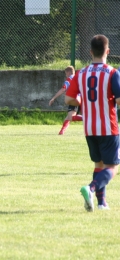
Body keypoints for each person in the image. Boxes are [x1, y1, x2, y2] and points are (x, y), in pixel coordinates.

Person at [65, 34, 120, 212]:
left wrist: (83, 101)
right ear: (108, 51)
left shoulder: (81, 73)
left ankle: (101, 203)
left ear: (90, 52)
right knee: (113, 167)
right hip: (108, 127)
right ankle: (91, 188)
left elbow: (69, 99)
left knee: (99, 165)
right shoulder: (112, 72)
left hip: (89, 128)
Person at [49, 66, 82, 135]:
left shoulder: (69, 80)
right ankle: (62, 131)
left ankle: (88, 118)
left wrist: (53, 98)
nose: (66, 75)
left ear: (68, 72)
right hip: (82, 99)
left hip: (74, 99)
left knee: (71, 117)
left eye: (66, 73)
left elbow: (63, 89)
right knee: (68, 117)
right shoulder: (78, 78)